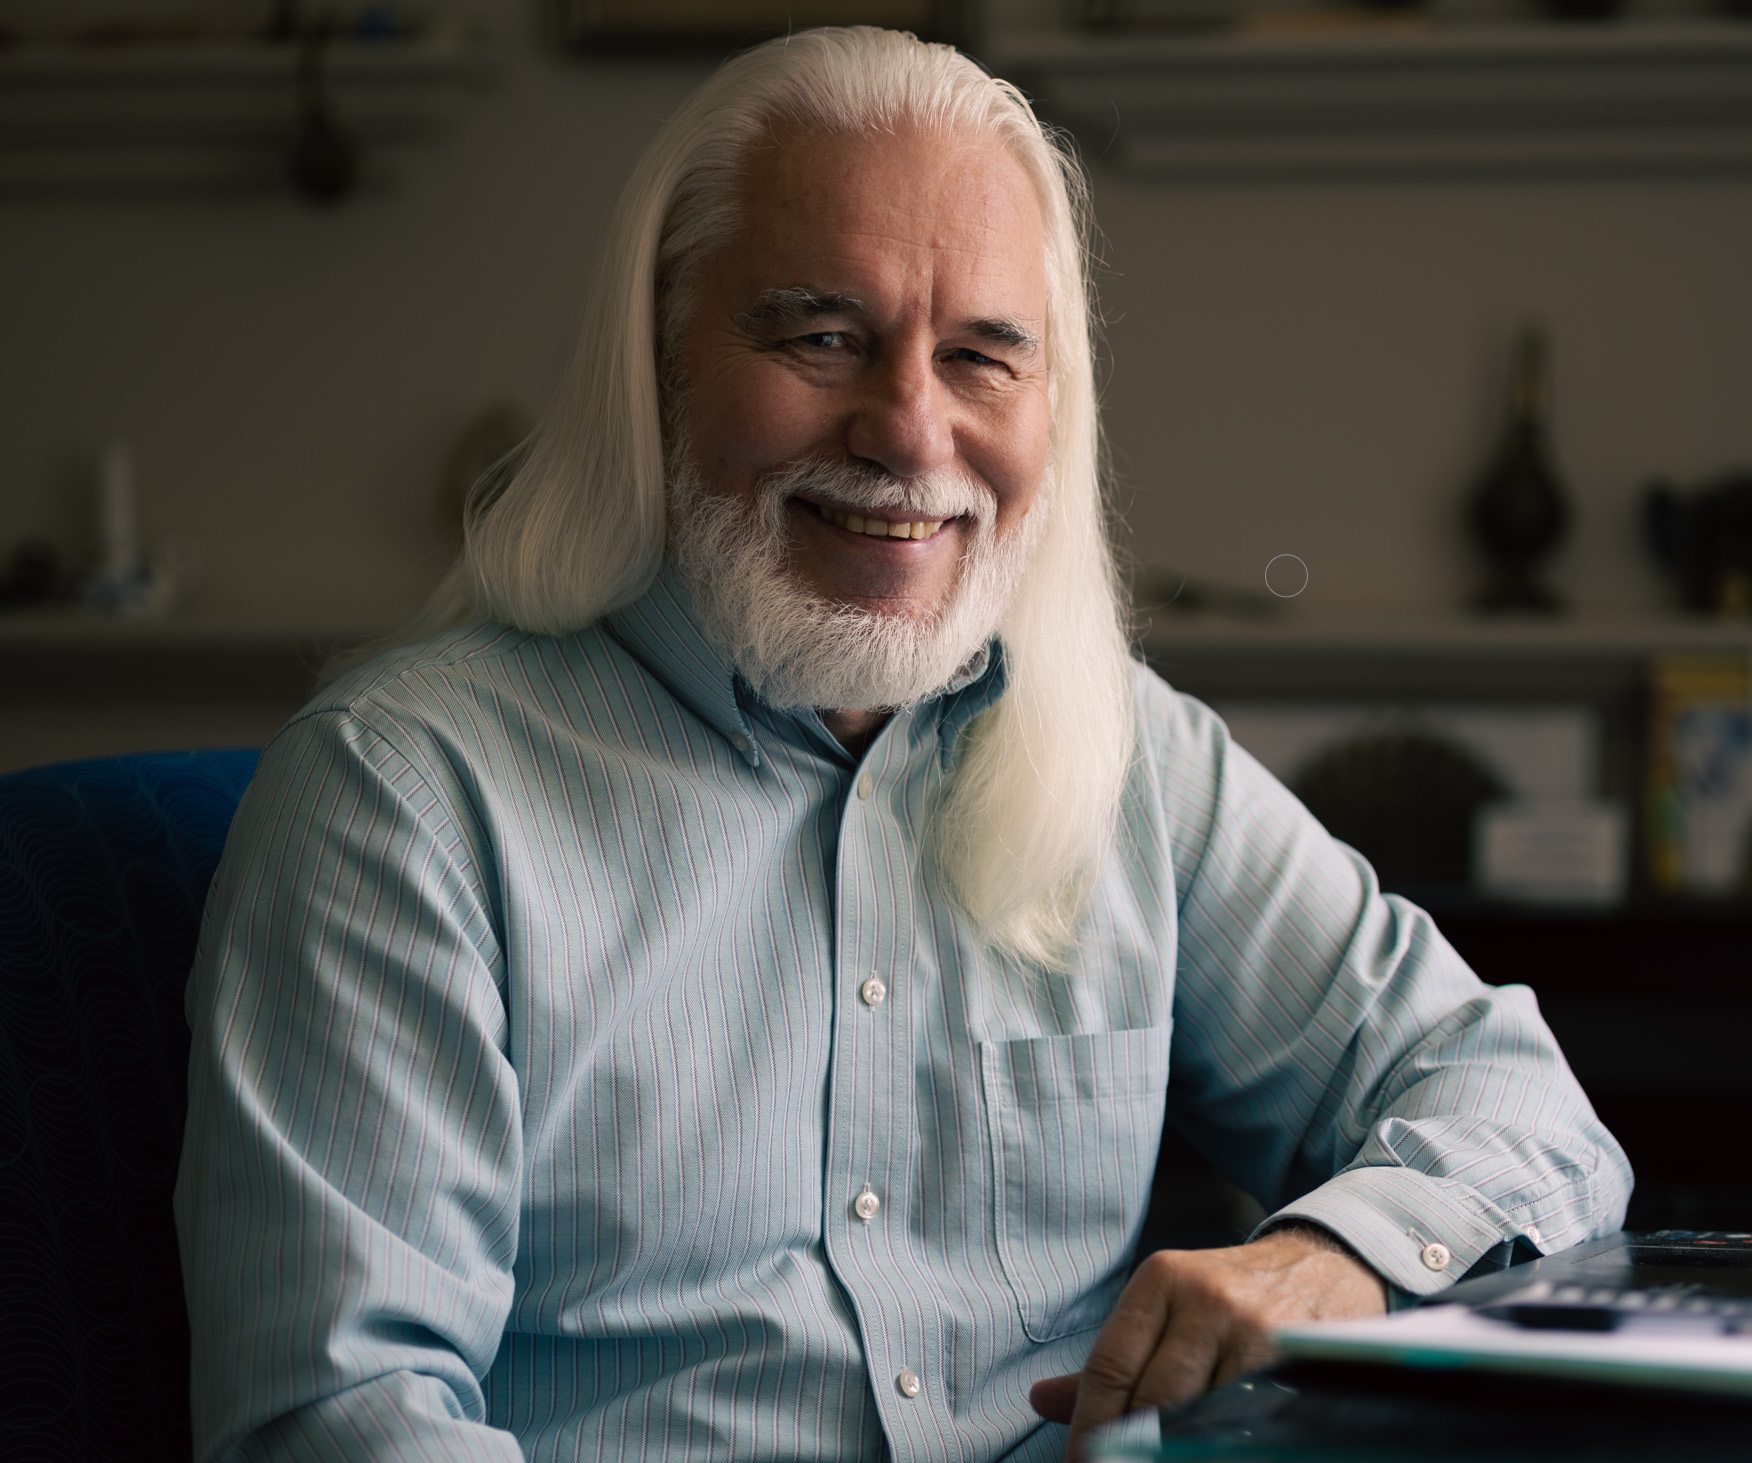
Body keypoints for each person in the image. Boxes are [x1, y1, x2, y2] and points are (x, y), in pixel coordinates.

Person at [175, 27, 1630, 1463]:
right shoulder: (401, 797)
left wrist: (1331, 1255)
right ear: (657, 361)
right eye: (823, 336)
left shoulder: (1124, 756)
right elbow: (343, 1422)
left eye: (986, 355)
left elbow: (1520, 1103)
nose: (911, 433)